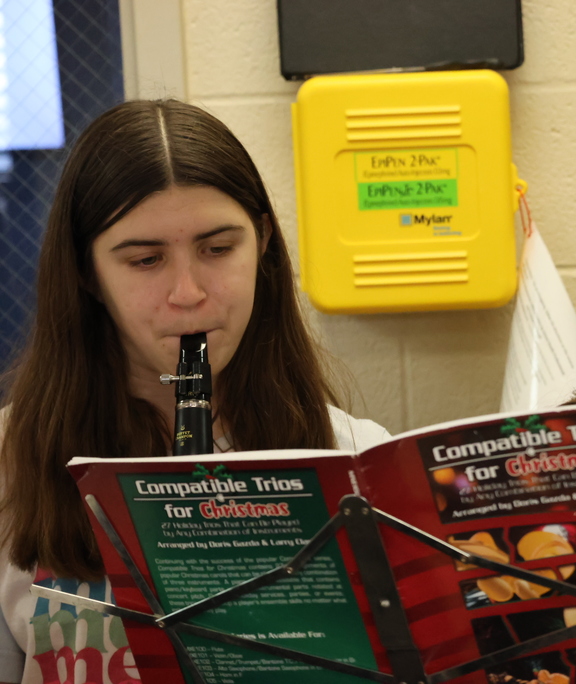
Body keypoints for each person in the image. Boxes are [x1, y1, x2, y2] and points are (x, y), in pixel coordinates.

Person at [0, 100, 389, 683]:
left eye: (218, 249)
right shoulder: (8, 461)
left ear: (261, 242)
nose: (187, 293)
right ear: (87, 274)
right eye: (146, 259)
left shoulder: (357, 456)